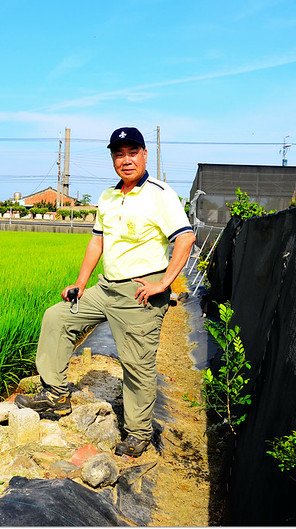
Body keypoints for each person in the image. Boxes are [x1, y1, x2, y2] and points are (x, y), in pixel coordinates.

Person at [15, 126, 196, 457]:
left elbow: (185, 238)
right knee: (57, 317)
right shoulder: (109, 197)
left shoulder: (160, 193)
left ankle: (139, 432)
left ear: (144, 155)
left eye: (132, 153)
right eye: (119, 154)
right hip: (106, 287)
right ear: (113, 158)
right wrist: (81, 283)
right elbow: (97, 239)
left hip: (141, 291)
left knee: (136, 363)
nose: (125, 160)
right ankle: (55, 396)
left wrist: (164, 283)